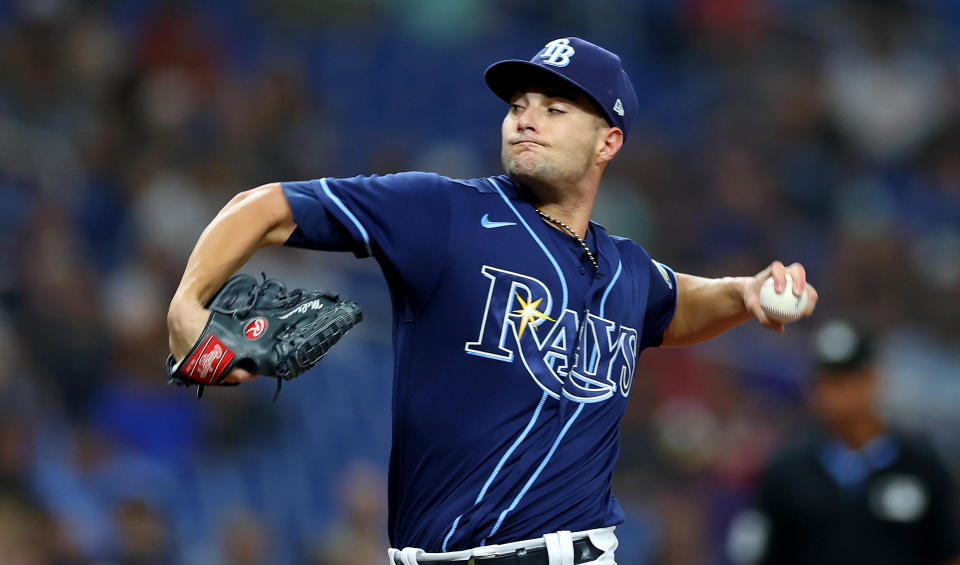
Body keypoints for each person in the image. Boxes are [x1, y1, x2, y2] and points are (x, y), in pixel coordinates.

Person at [167, 37, 817, 564]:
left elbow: (679, 304)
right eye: (518, 105)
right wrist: (188, 306)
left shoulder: (627, 269)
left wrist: (746, 292)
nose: (526, 117)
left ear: (608, 141)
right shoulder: (443, 212)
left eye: (555, 108)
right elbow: (263, 207)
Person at [726, 319, 960, 565]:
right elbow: (757, 553)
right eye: (825, 381)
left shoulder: (921, 464)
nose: (834, 394)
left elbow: (948, 551)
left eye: (846, 379)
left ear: (873, 379)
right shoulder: (787, 471)